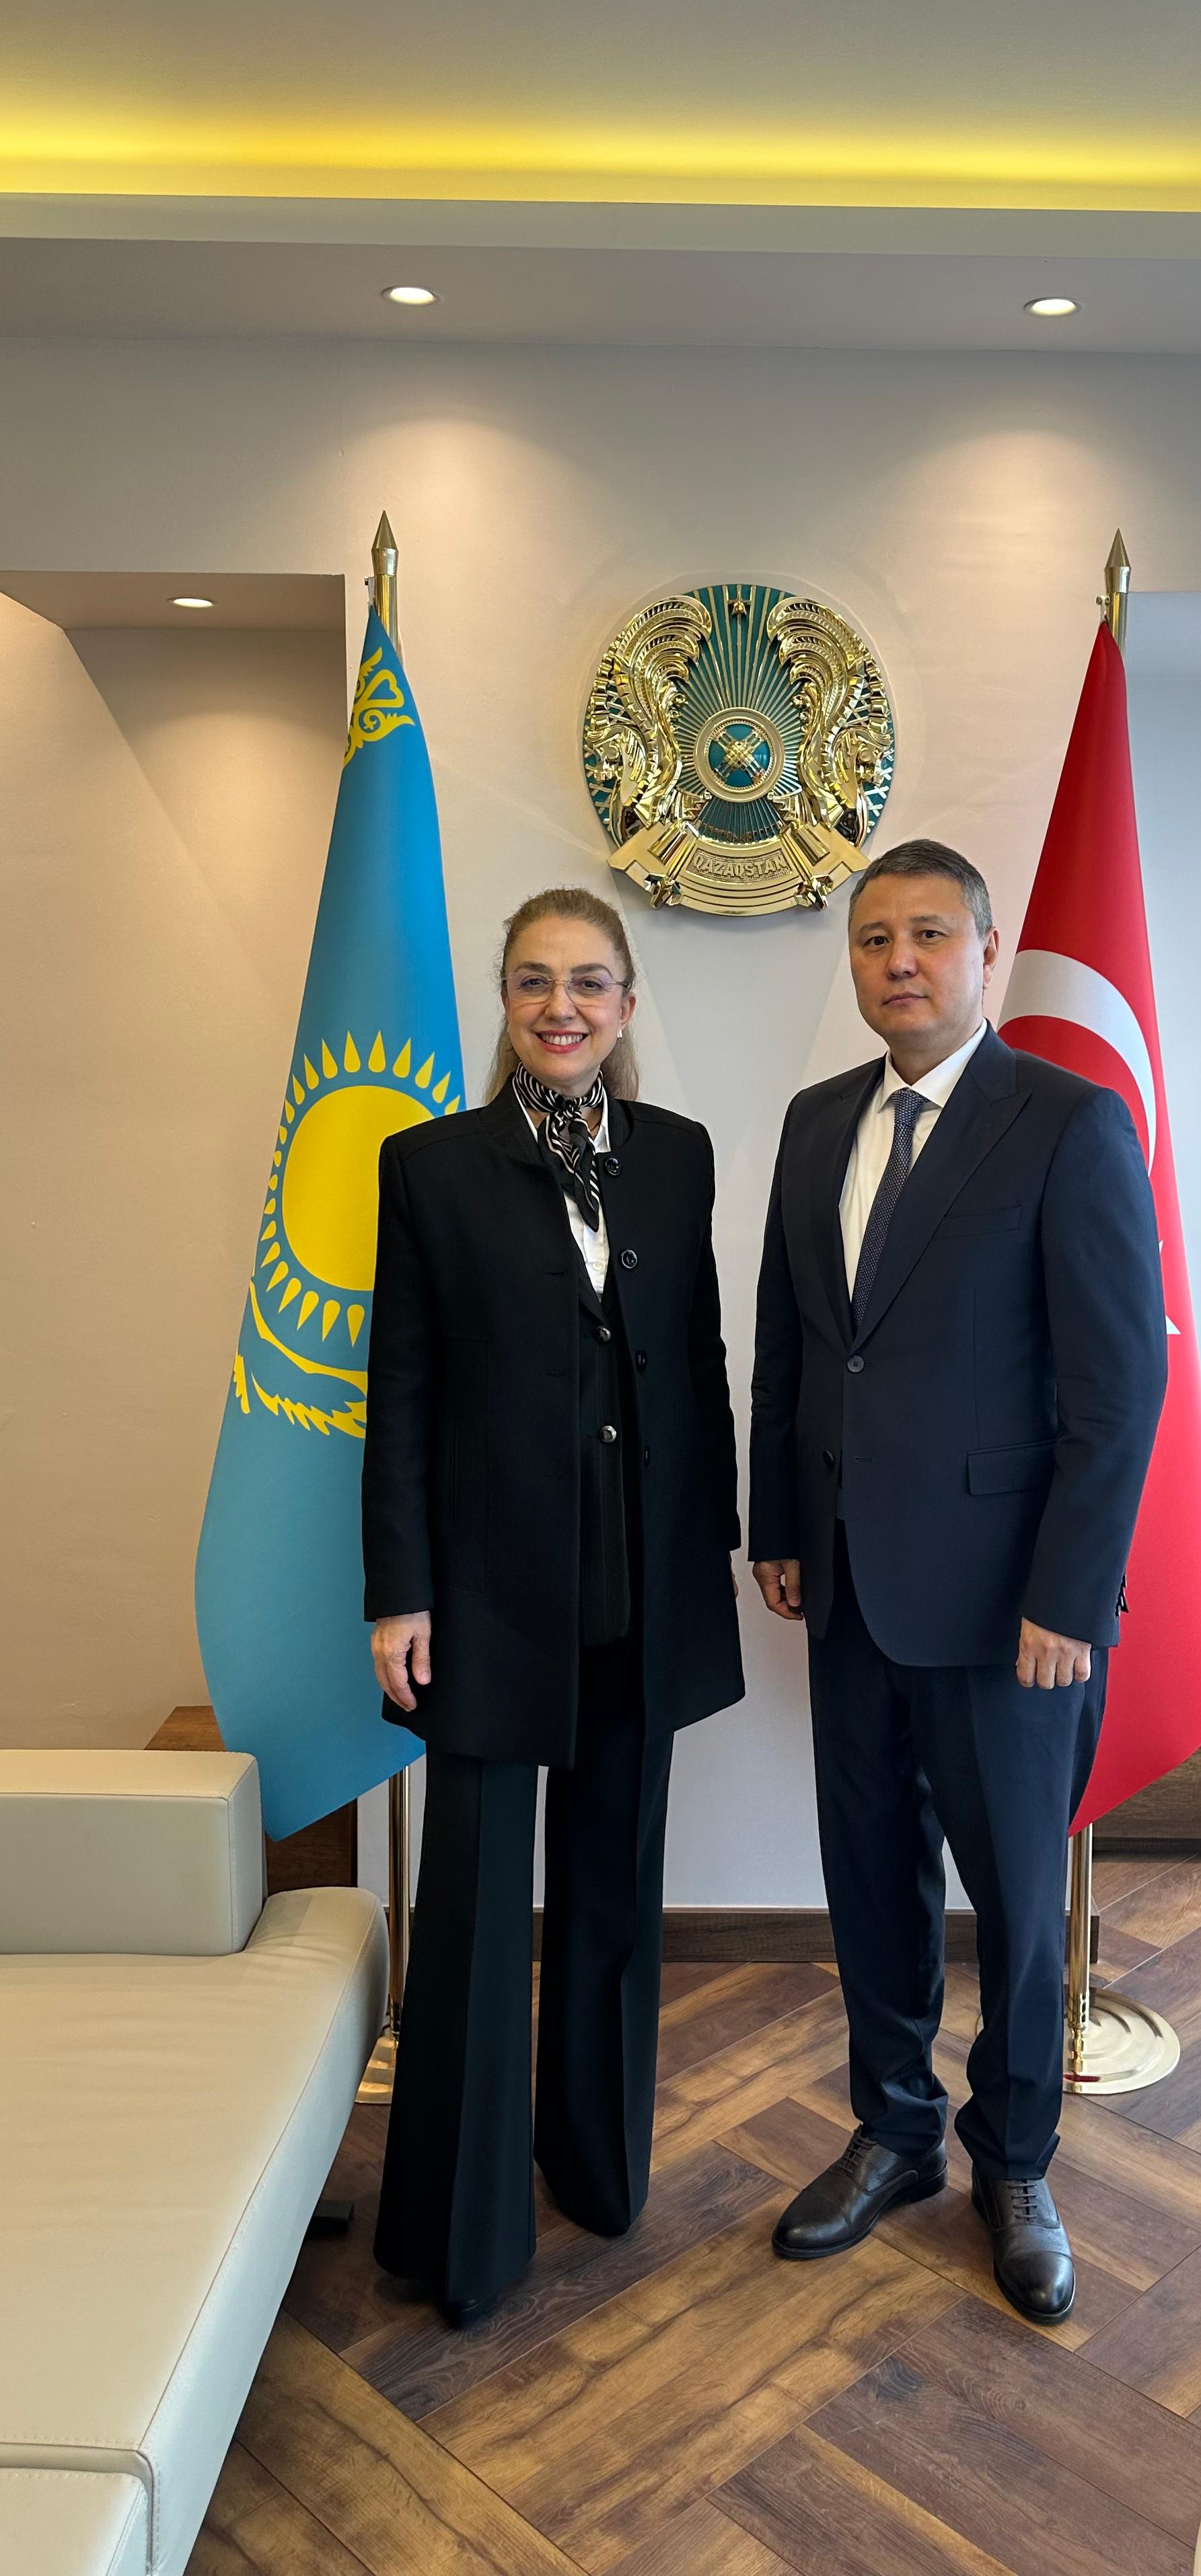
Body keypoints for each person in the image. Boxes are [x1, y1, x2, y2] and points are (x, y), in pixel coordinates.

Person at [749, 837, 1166, 2322]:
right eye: (875, 940)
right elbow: (791, 1347)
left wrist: (1070, 1594)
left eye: (930, 934)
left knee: (1020, 1907)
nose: (901, 962)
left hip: (1011, 1611)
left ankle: (1019, 2160)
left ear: (987, 953)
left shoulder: (1067, 1122)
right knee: (871, 1876)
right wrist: (775, 1525)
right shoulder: (816, 1122)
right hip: (848, 1583)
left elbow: (1118, 1390)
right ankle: (894, 2130)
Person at [363, 886, 743, 2326]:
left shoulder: (678, 1155)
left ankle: (597, 2166)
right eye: (535, 981)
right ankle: (462, 2236)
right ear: (507, 1002)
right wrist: (398, 1590)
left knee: (614, 1885)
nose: (562, 1006)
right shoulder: (431, 1166)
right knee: (472, 1908)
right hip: (484, 1593)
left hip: (642, 1579)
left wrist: (717, 1547)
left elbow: (698, 1363)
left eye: (589, 982)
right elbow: (400, 1391)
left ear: (627, 1003)